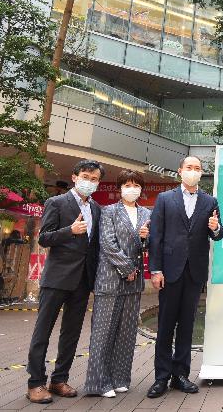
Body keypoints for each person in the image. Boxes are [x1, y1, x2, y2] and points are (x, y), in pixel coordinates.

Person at [26, 159, 103, 404]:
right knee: (43, 331)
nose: (89, 182)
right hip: (57, 278)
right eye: (85, 176)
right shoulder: (56, 202)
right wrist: (70, 230)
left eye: (94, 179)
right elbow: (44, 238)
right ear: (74, 177)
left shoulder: (97, 209)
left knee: (71, 333)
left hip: (83, 280)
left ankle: (59, 379)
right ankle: (35, 383)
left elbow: (94, 247)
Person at [147, 156, 223, 398]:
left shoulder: (210, 201)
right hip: (169, 270)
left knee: (187, 325)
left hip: (194, 272)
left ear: (202, 173)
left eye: (197, 168)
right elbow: (156, 237)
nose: (193, 171)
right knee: (165, 324)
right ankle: (161, 377)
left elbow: (219, 235)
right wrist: (155, 270)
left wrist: (216, 228)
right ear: (180, 171)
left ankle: (180, 374)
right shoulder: (165, 199)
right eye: (188, 168)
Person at [84, 169, 150, 398]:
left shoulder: (146, 213)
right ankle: (98, 383)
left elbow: (148, 244)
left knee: (126, 333)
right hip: (110, 279)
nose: (132, 189)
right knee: (103, 333)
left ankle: (120, 378)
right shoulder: (108, 211)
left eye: (136, 185)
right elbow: (108, 244)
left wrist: (145, 238)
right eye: (127, 184)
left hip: (134, 284)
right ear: (120, 188)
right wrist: (128, 268)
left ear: (141, 189)